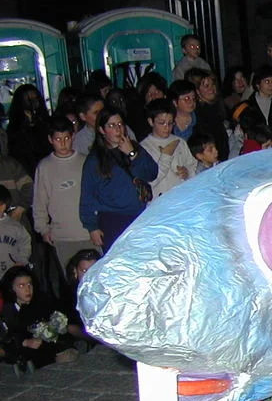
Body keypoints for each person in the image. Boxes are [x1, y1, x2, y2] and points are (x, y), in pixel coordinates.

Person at [79, 108, 158, 251]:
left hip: (139, 216)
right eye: (111, 125)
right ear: (102, 130)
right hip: (112, 219)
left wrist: (132, 153)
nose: (118, 129)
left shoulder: (135, 148)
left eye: (120, 124)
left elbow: (152, 173)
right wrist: (92, 227)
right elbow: (87, 195)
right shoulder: (95, 160)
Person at [33, 116, 98, 275]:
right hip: (62, 236)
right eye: (58, 139)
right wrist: (43, 229)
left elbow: (97, 195)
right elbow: (40, 201)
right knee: (70, 278)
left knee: (93, 276)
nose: (63, 143)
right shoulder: (45, 167)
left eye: (66, 138)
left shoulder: (86, 162)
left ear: (73, 136)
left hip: (88, 233)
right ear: (50, 139)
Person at [0, 264, 77, 373]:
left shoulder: (41, 301)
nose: (28, 289)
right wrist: (24, 342)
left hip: (50, 350)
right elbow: (3, 337)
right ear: (11, 289)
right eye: (21, 286)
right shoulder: (5, 310)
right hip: (23, 355)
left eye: (29, 284)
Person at [140, 99, 197, 198]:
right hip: (160, 199)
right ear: (151, 122)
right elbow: (148, 182)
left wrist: (187, 172)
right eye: (161, 123)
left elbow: (193, 166)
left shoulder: (180, 142)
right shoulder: (144, 147)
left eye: (170, 123)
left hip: (181, 196)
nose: (166, 127)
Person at [0, 185, 31, 281]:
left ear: (2, 207)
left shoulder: (15, 226)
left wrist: (21, 261)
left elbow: (25, 243)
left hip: (11, 272)